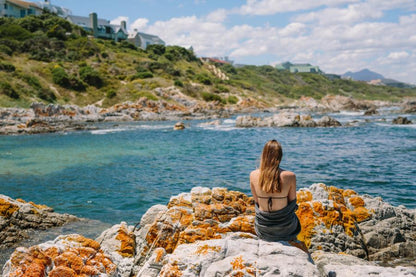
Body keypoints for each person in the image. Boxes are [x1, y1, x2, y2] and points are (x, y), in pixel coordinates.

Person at [250, 139, 303, 245]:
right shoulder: (289, 176)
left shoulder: (253, 175)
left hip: (264, 229)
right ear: (280, 156)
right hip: (285, 228)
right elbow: (292, 202)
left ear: (264, 155)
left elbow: (257, 202)